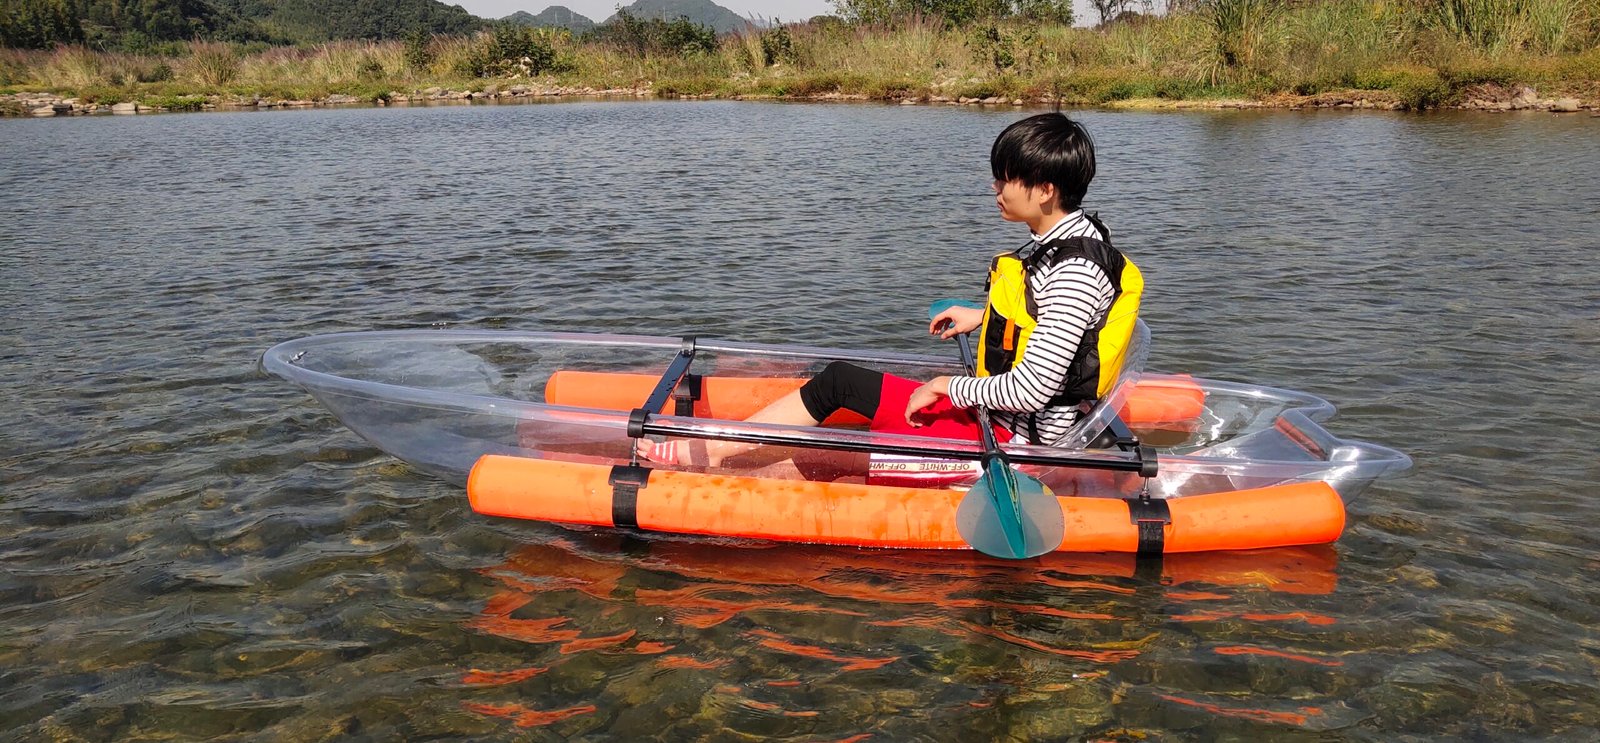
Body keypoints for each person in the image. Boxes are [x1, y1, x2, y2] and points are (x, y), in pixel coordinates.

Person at [639, 112, 1143, 478]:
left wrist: (945, 386)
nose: (995, 186)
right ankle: (727, 449)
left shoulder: (1074, 270)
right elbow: (1046, 321)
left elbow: (1031, 389)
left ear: (1045, 189)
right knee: (839, 383)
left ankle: (705, 455)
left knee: (840, 402)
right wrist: (984, 316)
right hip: (1004, 420)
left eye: (1006, 177)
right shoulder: (1068, 244)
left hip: (1016, 442)